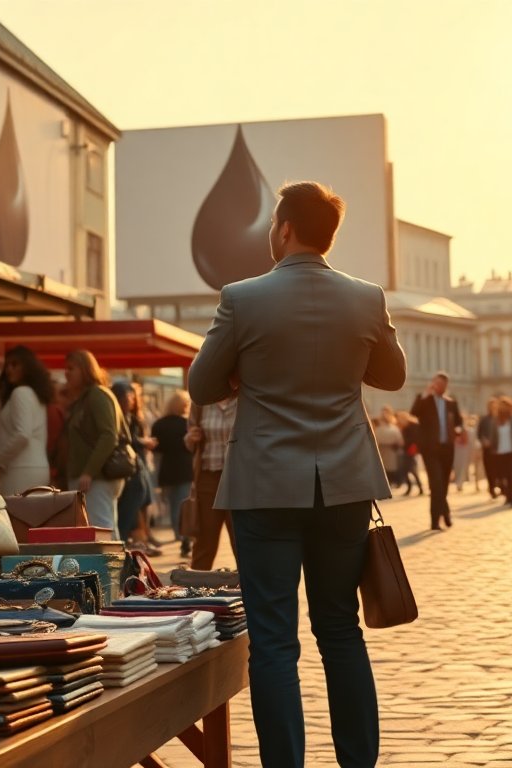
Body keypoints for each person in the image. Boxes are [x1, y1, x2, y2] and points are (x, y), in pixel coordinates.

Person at [188, 180, 405, 768]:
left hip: (264, 486)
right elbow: (392, 375)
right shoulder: (366, 297)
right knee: (340, 630)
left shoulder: (242, 298)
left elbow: (202, 385)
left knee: (274, 642)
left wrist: (243, 372)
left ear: (284, 229)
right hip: (344, 483)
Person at [63, 348, 127, 535]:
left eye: (71, 368)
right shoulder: (85, 398)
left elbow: (109, 435)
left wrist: (88, 472)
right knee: (106, 528)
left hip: (98, 477)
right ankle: (115, 556)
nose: (67, 373)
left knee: (101, 529)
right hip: (94, 477)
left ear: (85, 369)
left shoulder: (97, 395)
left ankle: (111, 557)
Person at [0, 346, 53, 495]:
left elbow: (22, 434)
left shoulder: (21, 393)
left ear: (27, 367)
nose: (9, 370)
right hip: (35, 466)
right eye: (7, 365)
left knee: (14, 509)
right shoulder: (35, 395)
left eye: (15, 364)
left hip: (20, 468)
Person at [184, 394, 237, 567]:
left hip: (239, 479)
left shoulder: (246, 398)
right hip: (208, 478)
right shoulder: (201, 402)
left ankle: (250, 583)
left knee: (243, 543)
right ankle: (198, 582)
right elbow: (189, 441)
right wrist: (191, 438)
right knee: (205, 543)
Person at [411, 372, 464, 530]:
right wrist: (425, 394)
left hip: (447, 448)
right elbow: (414, 413)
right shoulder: (424, 400)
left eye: (442, 384)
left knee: (444, 483)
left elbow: (458, 422)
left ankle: (445, 512)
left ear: (446, 386)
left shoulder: (451, 403)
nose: (439, 386)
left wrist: (458, 430)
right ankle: (435, 520)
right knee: (436, 483)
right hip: (430, 449)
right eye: (437, 383)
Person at [112, 381, 156, 551]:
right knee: (130, 508)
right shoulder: (120, 416)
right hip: (128, 468)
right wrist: (143, 442)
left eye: (132, 396)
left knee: (139, 502)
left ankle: (140, 540)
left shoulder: (130, 416)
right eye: (128, 397)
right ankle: (133, 541)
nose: (131, 400)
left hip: (135, 465)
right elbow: (126, 439)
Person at [150, 393, 194, 553]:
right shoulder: (187, 424)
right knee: (183, 503)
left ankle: (178, 533)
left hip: (167, 470)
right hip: (185, 468)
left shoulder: (159, 424)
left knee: (174, 504)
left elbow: (156, 448)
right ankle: (183, 535)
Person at [481, 397, 512, 508]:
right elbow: (492, 436)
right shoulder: (495, 420)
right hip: (498, 452)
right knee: (501, 476)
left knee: (510, 475)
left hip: (511, 451)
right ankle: (506, 494)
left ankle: (511, 499)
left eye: (506, 406)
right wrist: (490, 446)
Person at [373, 410, 404, 487]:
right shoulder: (394, 429)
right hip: (392, 452)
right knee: (391, 469)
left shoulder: (378, 430)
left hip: (382, 452)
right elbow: (400, 442)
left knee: (384, 470)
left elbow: (375, 441)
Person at [399, 412, 425, 496]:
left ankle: (419, 488)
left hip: (411, 450)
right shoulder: (404, 427)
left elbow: (416, 438)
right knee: (406, 470)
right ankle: (411, 487)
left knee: (412, 470)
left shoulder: (413, 426)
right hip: (406, 450)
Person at [477, 399, 499, 498]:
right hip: (487, 449)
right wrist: (484, 440)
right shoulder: (484, 420)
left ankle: (499, 486)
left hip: (498, 448)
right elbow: (479, 433)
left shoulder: (499, 419)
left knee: (498, 469)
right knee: (489, 469)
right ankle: (491, 488)